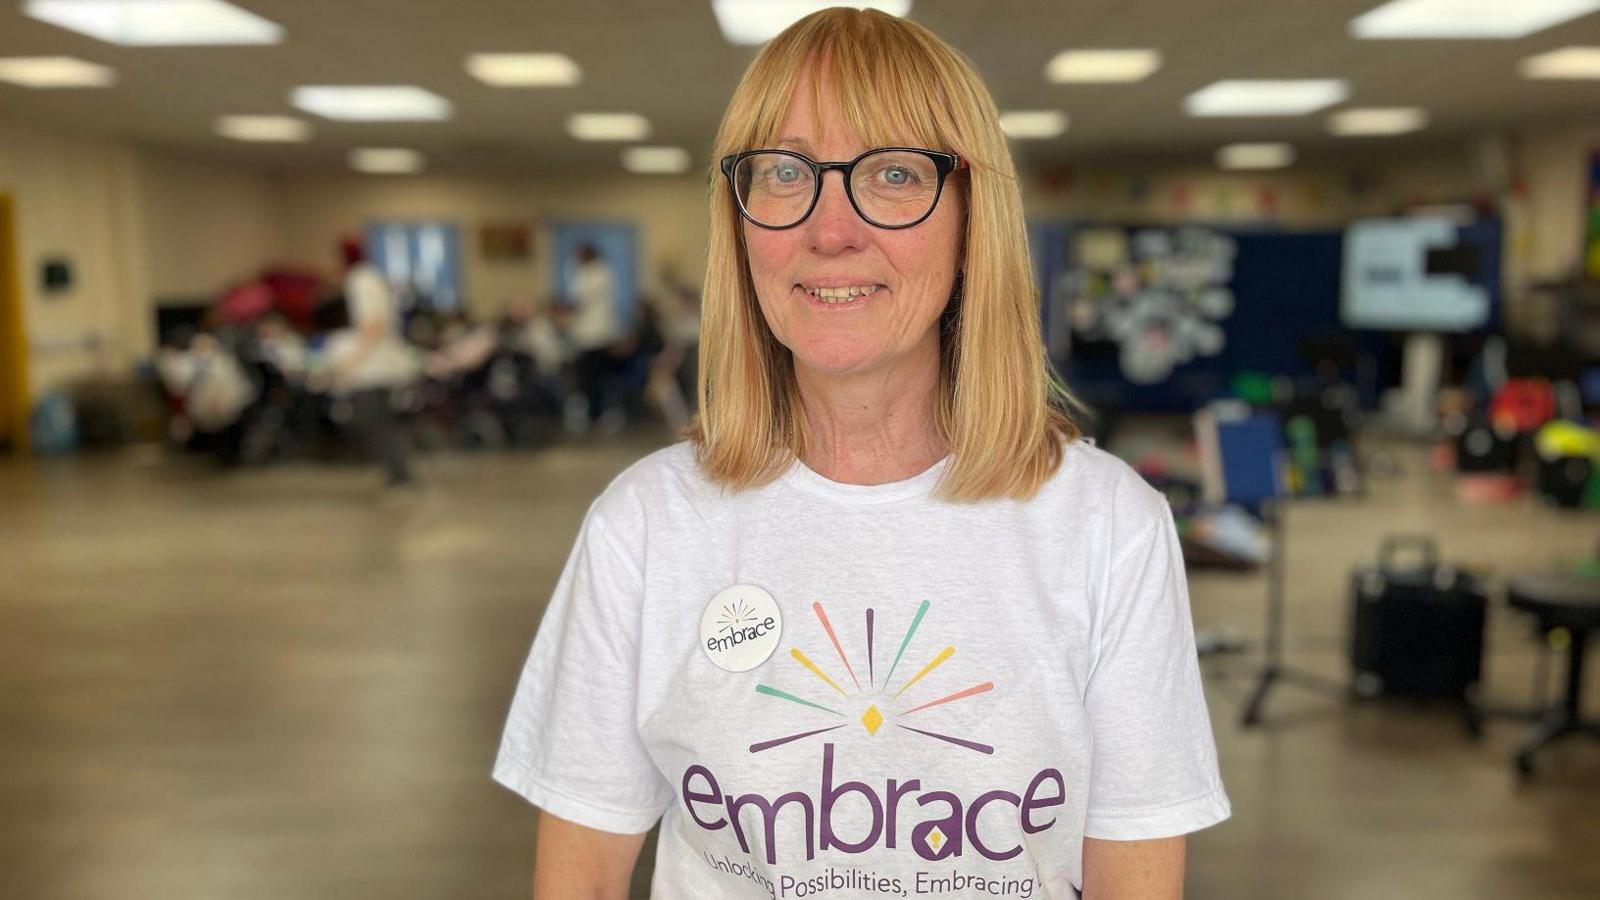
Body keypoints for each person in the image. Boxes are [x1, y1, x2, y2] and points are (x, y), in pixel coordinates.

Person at [494, 9, 1229, 899]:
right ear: (740, 220)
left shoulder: (1108, 528)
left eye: (890, 173)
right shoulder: (645, 528)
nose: (830, 230)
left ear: (972, 219)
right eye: (784, 171)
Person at [328, 237, 417, 486]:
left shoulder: (360, 280)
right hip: (381, 362)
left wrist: (352, 360)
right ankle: (397, 471)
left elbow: (373, 324)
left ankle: (398, 473)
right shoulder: (371, 278)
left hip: (375, 366)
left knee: (369, 419)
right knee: (382, 421)